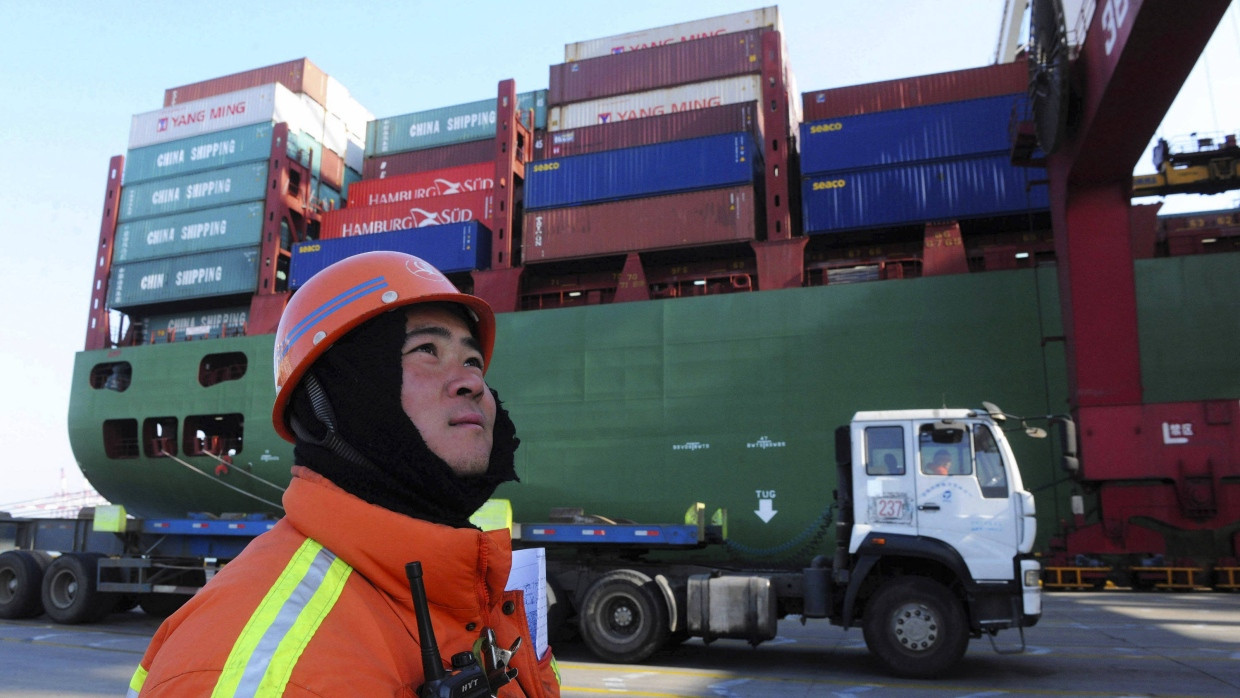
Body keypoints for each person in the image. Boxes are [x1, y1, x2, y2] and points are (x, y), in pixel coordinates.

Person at [129, 251, 560, 697]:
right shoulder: (259, 668)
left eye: (472, 361)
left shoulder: (476, 596)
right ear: (329, 397)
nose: (474, 383)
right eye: (426, 351)